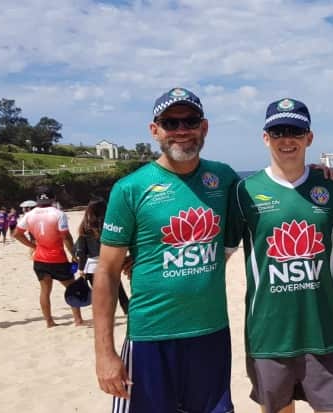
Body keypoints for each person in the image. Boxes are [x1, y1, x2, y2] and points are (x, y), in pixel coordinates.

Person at [93, 87, 238, 413]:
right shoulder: (130, 188)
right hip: (150, 337)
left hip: (211, 333)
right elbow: (106, 271)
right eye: (171, 122)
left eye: (190, 121)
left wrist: (315, 173)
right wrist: (105, 353)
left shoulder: (224, 178)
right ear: (155, 129)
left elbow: (268, 192)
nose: (182, 130)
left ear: (204, 127)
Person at [226, 98, 333, 413]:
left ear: (309, 138)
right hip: (269, 336)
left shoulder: (331, 188)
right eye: (278, 131)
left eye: (295, 131)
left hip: (324, 332)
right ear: (265, 138)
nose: (287, 139)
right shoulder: (244, 192)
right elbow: (218, 255)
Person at [13, 185, 83, 328]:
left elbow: (16, 234)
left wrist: (33, 246)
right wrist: (74, 255)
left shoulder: (29, 215)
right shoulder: (58, 214)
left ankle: (49, 322)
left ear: (37, 199)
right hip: (58, 258)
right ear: (53, 198)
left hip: (40, 259)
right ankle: (77, 319)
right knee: (72, 287)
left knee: (45, 291)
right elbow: (66, 238)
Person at [75, 197, 129, 315]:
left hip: (92, 266)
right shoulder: (110, 225)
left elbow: (82, 251)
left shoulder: (85, 227)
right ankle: (127, 310)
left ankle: (104, 314)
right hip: (109, 261)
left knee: (99, 293)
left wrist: (81, 268)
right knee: (118, 290)